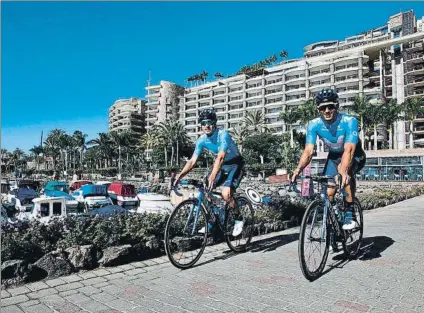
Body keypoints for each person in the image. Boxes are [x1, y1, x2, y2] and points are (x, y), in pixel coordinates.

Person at [291, 89, 366, 231]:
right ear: (318, 109)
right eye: (322, 108)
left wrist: (344, 171)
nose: (326, 110)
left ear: (336, 106)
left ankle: (350, 213)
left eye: (330, 106)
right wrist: (297, 170)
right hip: (333, 156)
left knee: (344, 173)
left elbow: (349, 149)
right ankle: (332, 229)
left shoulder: (349, 121)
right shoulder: (314, 124)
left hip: (355, 154)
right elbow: (308, 151)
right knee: (329, 193)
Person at [173, 108, 245, 236]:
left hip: (235, 164)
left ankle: (238, 219)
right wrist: (180, 175)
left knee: (226, 194)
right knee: (206, 190)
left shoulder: (223, 135)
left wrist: (212, 177)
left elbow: (220, 157)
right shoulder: (201, 140)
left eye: (209, 122)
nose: (206, 125)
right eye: (203, 123)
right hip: (221, 166)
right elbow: (192, 161)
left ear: (215, 123)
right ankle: (212, 221)